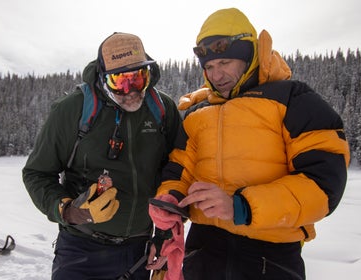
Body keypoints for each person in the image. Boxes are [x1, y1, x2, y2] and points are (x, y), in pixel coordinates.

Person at [146, 8, 350, 280]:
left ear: (250, 55)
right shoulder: (197, 114)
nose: (216, 76)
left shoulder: (294, 99)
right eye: (209, 67)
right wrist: (170, 199)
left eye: (225, 63)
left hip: (269, 257)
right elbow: (179, 170)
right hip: (203, 251)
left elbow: (323, 185)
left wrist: (241, 206)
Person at [23, 32, 181, 280]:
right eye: (120, 81)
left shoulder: (162, 110)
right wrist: (67, 210)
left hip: (137, 250)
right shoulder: (73, 110)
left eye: (138, 78)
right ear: (103, 77)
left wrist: (164, 235)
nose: (130, 91)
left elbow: (175, 173)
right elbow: (37, 173)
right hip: (80, 247)